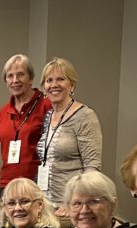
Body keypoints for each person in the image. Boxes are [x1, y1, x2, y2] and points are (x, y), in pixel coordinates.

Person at [36, 58, 102, 214]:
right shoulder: (48, 117)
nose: (54, 85)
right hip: (46, 205)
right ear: (44, 88)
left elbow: (92, 168)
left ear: (72, 85)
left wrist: (75, 201)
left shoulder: (85, 116)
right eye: (49, 80)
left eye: (61, 79)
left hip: (71, 207)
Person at [0, 54, 51, 193]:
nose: (15, 80)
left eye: (20, 74)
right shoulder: (3, 112)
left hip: (36, 183)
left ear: (31, 78)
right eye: (10, 76)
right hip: (7, 184)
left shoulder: (47, 106)